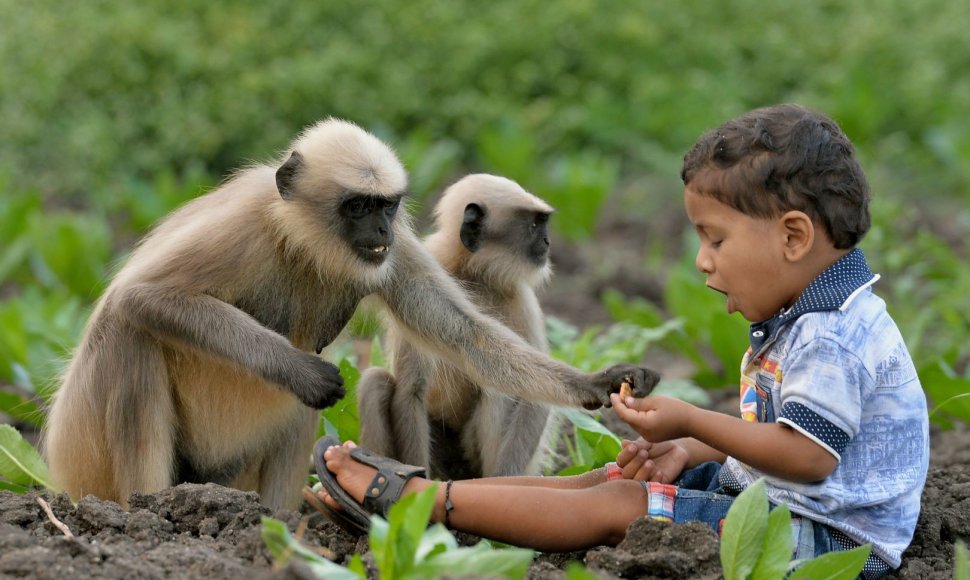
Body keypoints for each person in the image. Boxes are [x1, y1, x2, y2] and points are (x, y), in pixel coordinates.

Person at [312, 104, 929, 577]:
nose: (701, 263)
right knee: (604, 479)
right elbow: (802, 448)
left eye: (715, 240)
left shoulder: (834, 335)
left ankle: (417, 501)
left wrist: (692, 422)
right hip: (783, 506)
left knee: (618, 507)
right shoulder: (810, 317)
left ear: (794, 237)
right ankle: (425, 494)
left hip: (822, 542)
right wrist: (695, 451)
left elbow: (807, 458)